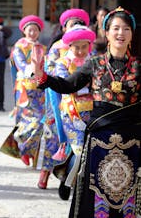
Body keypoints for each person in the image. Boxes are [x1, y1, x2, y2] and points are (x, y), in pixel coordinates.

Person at [33, 7, 140, 218]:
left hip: (131, 141)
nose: (121, 33)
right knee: (96, 193)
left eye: (126, 29)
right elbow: (67, 85)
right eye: (116, 28)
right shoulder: (95, 64)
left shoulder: (138, 66)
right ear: (106, 33)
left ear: (132, 34)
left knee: (128, 194)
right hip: (99, 140)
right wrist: (42, 76)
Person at [52, 25, 96, 200]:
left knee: (88, 151)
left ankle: (68, 178)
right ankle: (70, 183)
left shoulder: (94, 61)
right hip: (71, 113)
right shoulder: (63, 63)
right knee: (79, 150)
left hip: (92, 112)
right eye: (76, 47)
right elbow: (65, 84)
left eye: (84, 46)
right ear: (69, 46)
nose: (80, 51)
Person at [10, 15, 52, 188]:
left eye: (36, 29)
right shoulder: (19, 46)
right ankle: (22, 145)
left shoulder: (42, 47)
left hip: (40, 89)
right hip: (25, 89)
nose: (33, 32)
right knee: (29, 121)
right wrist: (33, 71)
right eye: (30, 29)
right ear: (24, 30)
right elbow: (20, 64)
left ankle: (27, 149)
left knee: (41, 121)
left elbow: (47, 66)